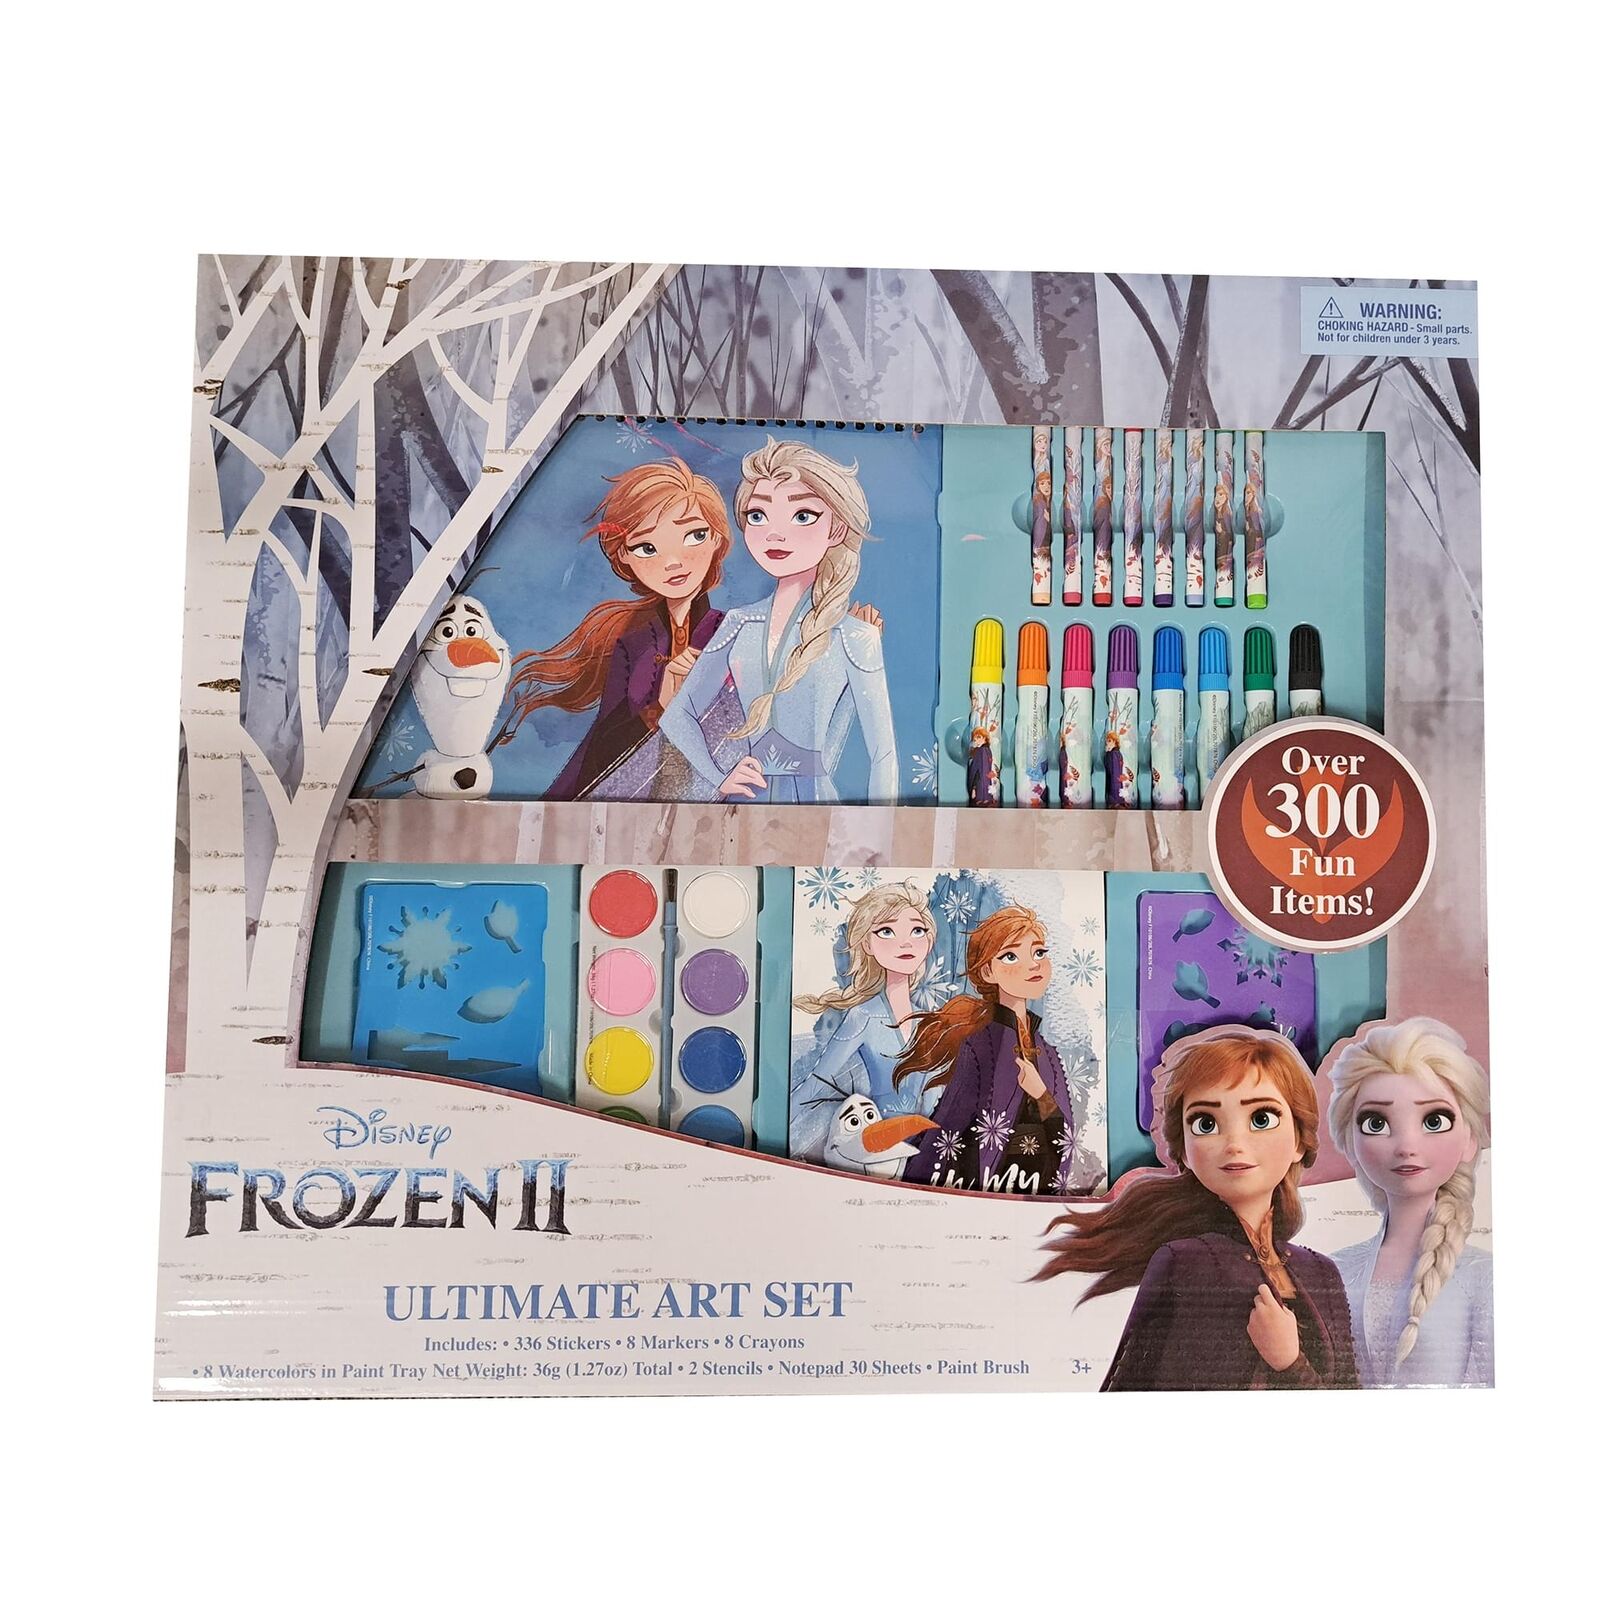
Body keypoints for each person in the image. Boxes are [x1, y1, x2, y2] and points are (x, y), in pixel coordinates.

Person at [1035, 1025, 1359, 1390]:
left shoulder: (1321, 1272)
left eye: (1261, 1119)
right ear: (1185, 1152)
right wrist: (1288, 1365)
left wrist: (1289, 1362)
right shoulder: (1187, 1264)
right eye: (1206, 1124)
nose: (1234, 1143)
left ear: (1299, 1140)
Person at [659, 438, 898, 803]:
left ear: (836, 529)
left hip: (815, 807)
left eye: (802, 516)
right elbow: (678, 716)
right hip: (744, 805)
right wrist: (719, 777)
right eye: (758, 515)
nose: (774, 533)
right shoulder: (739, 623)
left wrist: (882, 830)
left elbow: (883, 754)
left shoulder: (855, 637)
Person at [499, 458, 730, 799]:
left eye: (695, 536)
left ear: (716, 538)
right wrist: (658, 708)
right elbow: (602, 745)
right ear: (624, 556)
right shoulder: (634, 643)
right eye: (647, 548)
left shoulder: (732, 633)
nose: (673, 561)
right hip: (631, 800)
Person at [1326, 1017, 1493, 1387]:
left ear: (1469, 1139)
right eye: (1375, 1123)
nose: (1406, 1146)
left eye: (1434, 1120)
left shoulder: (1484, 1277)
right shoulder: (1333, 1270)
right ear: (1350, 1142)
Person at [897, 907, 1074, 1194]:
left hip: (1037, 1193)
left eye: (1039, 952)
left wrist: (1041, 1093)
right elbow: (949, 1127)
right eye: (1011, 956)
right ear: (988, 971)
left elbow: (1066, 1135)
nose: (1033, 964)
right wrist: (913, 1191)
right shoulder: (981, 1047)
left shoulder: (1048, 1054)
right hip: (986, 1190)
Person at [790, 883, 938, 1164]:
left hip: (927, 1148)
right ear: (867, 944)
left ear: (929, 940)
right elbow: (819, 1080)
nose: (905, 942)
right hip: (875, 1147)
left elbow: (936, 1094)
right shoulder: (863, 1016)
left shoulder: (930, 1022)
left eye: (917, 930)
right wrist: (773, 1125)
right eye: (887, 931)